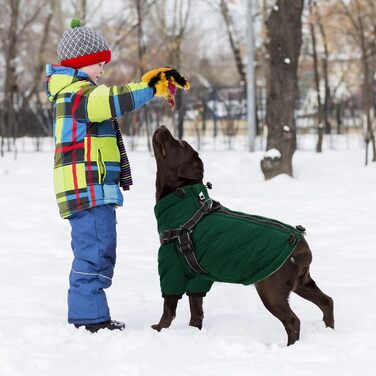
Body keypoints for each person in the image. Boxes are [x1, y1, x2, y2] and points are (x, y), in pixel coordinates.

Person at [44, 18, 188, 333]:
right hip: (88, 189)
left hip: (90, 189)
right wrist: (151, 86)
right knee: (95, 252)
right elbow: (114, 99)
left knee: (98, 250)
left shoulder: (76, 93)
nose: (102, 72)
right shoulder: (78, 95)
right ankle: (90, 320)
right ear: (82, 65)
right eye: (99, 65)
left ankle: (89, 313)